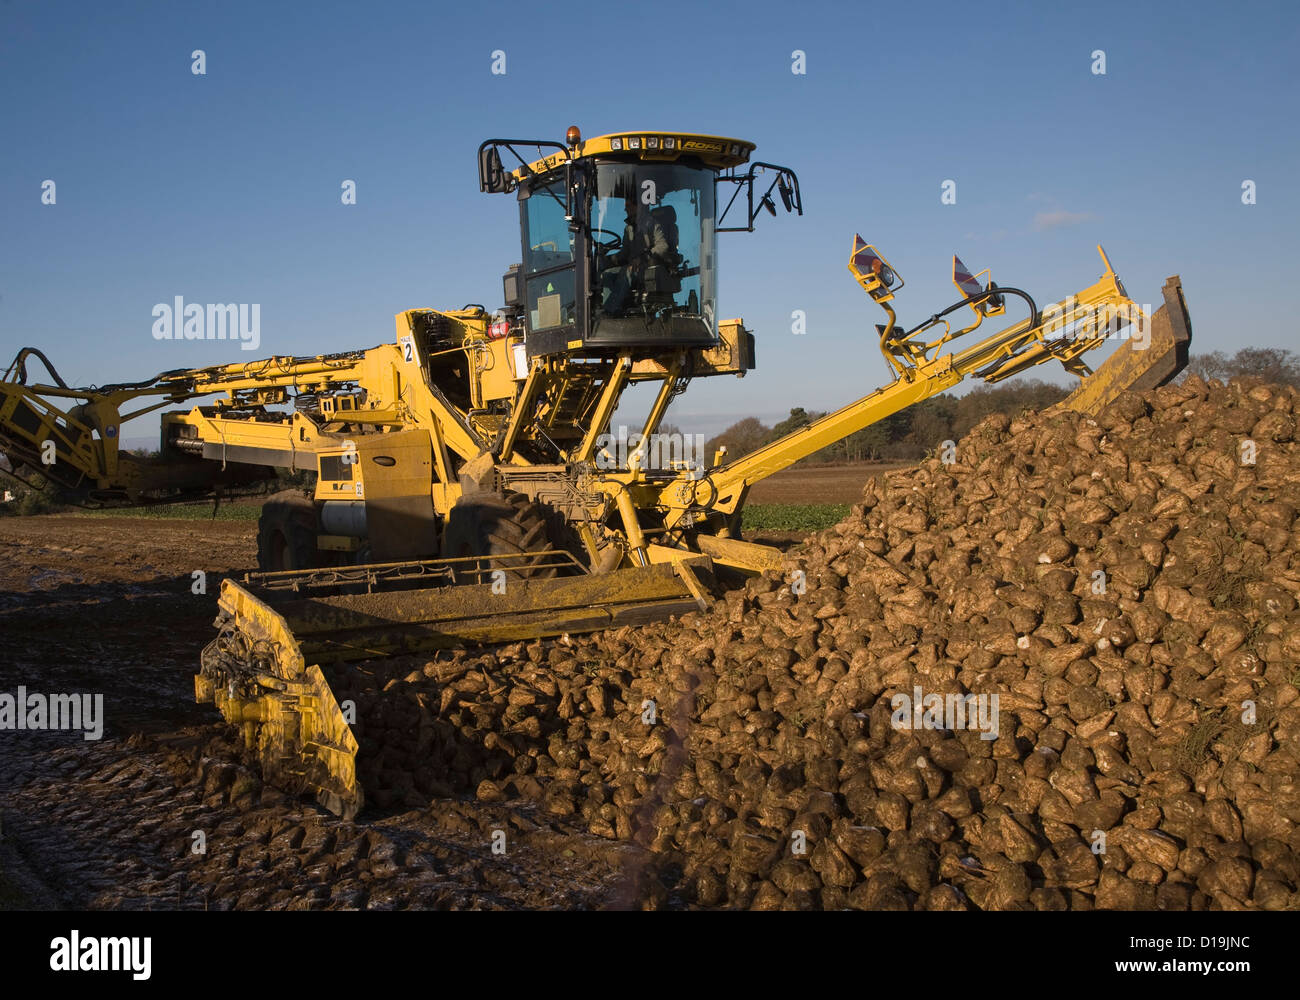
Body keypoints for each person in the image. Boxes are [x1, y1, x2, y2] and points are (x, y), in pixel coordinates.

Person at [600, 194, 676, 316]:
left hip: (649, 267)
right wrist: (607, 259)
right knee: (607, 274)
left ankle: (611, 311)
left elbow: (663, 246)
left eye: (628, 206)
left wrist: (643, 258)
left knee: (627, 272)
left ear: (638, 207)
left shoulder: (652, 224)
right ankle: (607, 307)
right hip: (633, 268)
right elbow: (624, 253)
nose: (625, 209)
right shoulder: (628, 228)